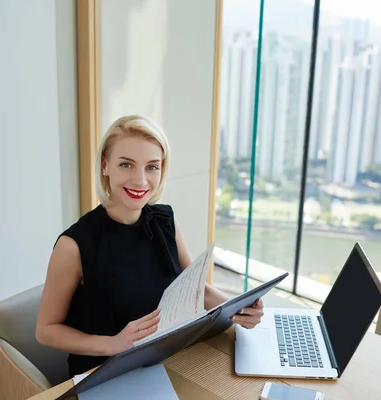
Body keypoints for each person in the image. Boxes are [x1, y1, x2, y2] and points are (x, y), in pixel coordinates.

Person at [35, 115, 264, 376]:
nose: (141, 181)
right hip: (105, 373)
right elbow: (46, 330)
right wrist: (113, 344)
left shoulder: (165, 221)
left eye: (152, 167)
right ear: (105, 166)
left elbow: (196, 290)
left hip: (165, 359)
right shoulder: (74, 245)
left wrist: (239, 308)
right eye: (126, 165)